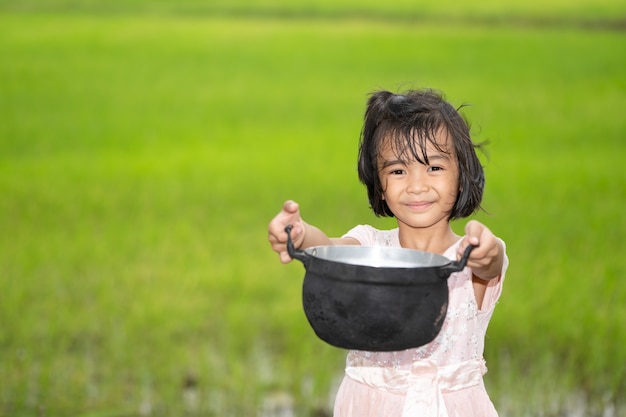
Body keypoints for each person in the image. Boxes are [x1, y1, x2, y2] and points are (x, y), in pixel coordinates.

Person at [268, 88, 508, 417]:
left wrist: (484, 251)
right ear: (380, 185)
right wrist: (299, 233)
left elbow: (491, 262)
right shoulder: (370, 247)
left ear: (462, 175)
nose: (416, 185)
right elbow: (328, 249)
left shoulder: (469, 257)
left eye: (434, 168)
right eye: (398, 171)